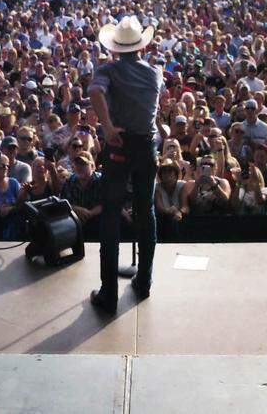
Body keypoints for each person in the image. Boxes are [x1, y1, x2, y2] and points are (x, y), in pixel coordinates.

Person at [88, 16, 163, 314]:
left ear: (116, 47)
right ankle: (143, 282)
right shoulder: (155, 73)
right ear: (141, 47)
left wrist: (106, 127)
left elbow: (95, 92)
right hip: (146, 146)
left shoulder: (109, 69)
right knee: (146, 211)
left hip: (119, 146)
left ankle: (109, 294)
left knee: (111, 214)